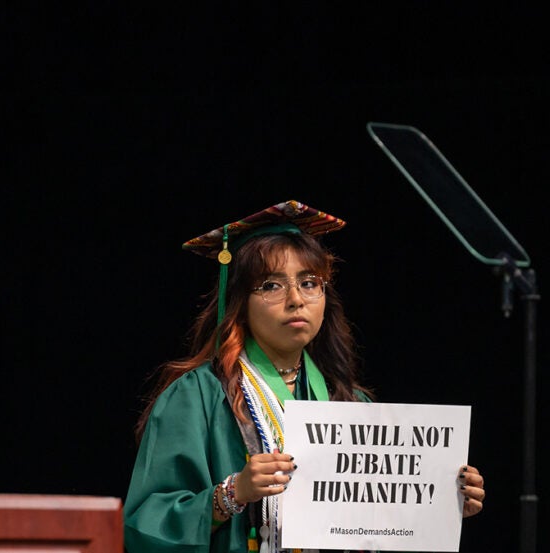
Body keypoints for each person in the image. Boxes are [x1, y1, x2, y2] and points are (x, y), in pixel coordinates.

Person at [122, 200, 486, 553]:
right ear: (239, 303)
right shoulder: (198, 396)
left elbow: (378, 529)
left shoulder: (353, 404)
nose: (296, 299)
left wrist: (441, 503)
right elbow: (143, 528)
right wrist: (232, 493)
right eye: (271, 285)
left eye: (310, 282)